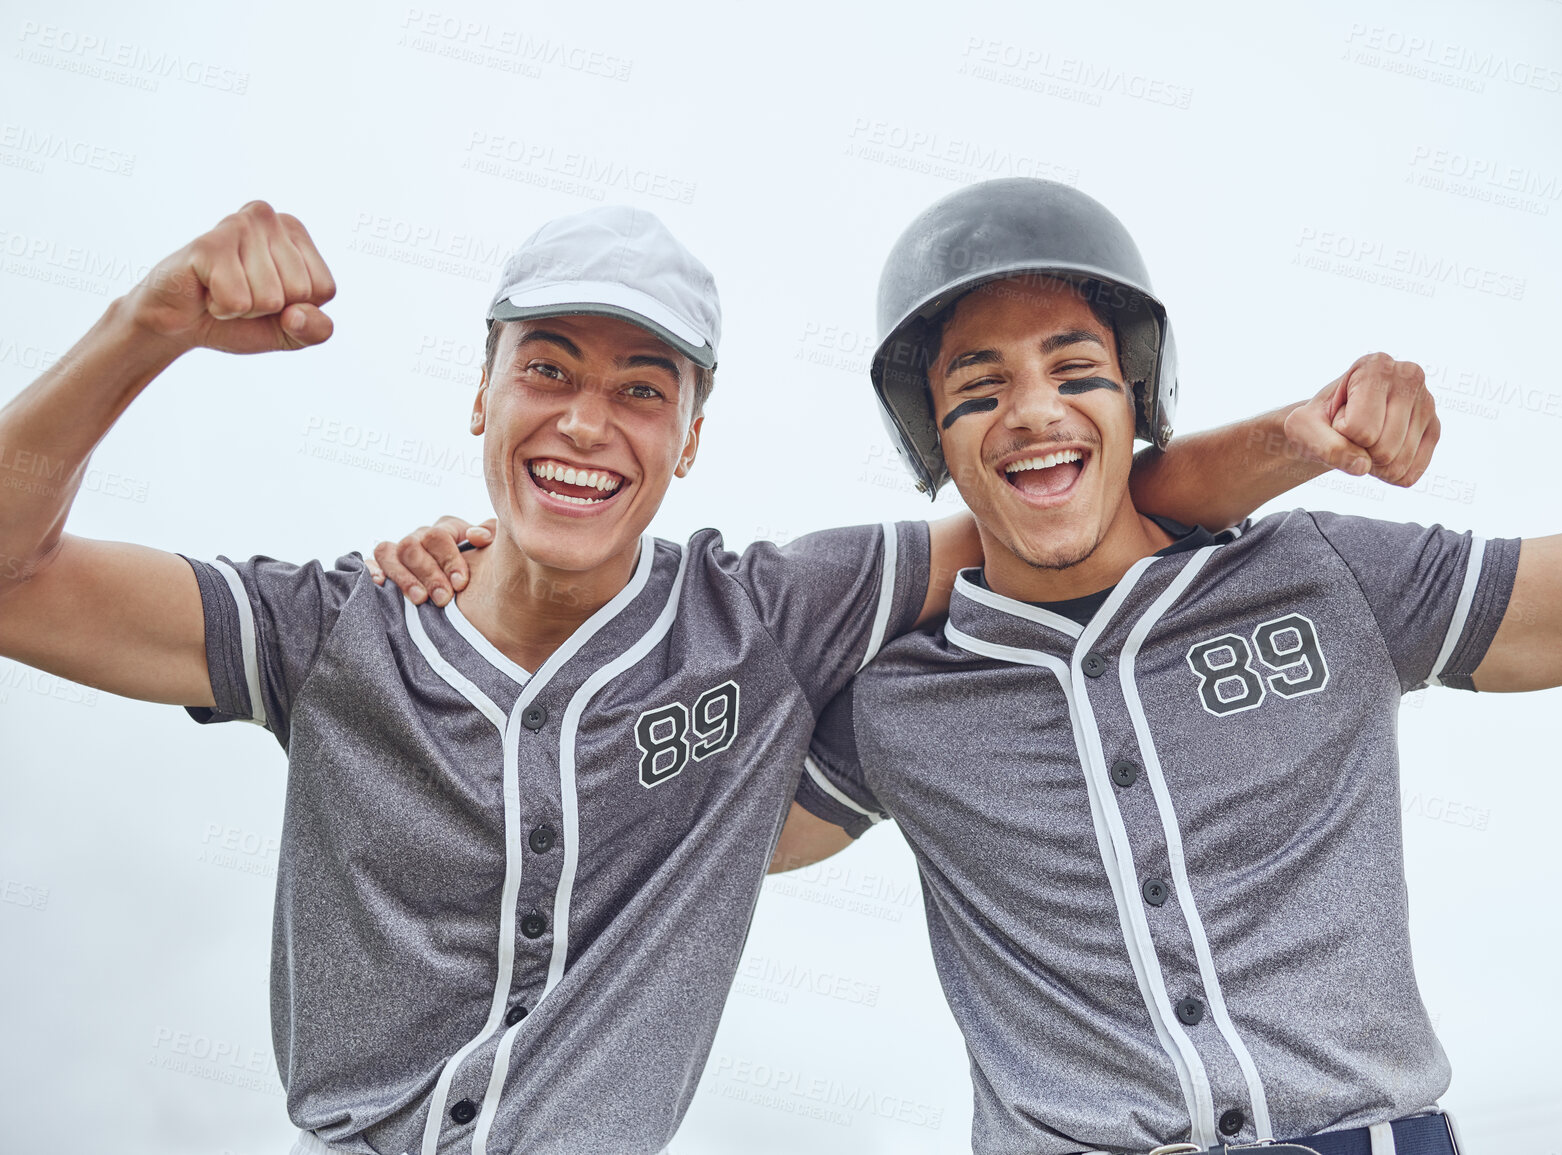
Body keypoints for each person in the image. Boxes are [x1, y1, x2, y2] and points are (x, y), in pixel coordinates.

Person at [0, 198, 1434, 1154]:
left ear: (688, 436)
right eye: (547, 369)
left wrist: (1304, 437)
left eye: (642, 387)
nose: (588, 419)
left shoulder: (759, 614)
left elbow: (1060, 496)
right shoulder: (335, 628)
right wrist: (151, 322)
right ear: (480, 394)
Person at [772, 180, 1562, 1154]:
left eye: (1075, 370)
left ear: (1137, 391)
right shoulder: (899, 703)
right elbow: (691, 842)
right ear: (931, 435)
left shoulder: (1327, 577)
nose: (1033, 412)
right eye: (980, 389)